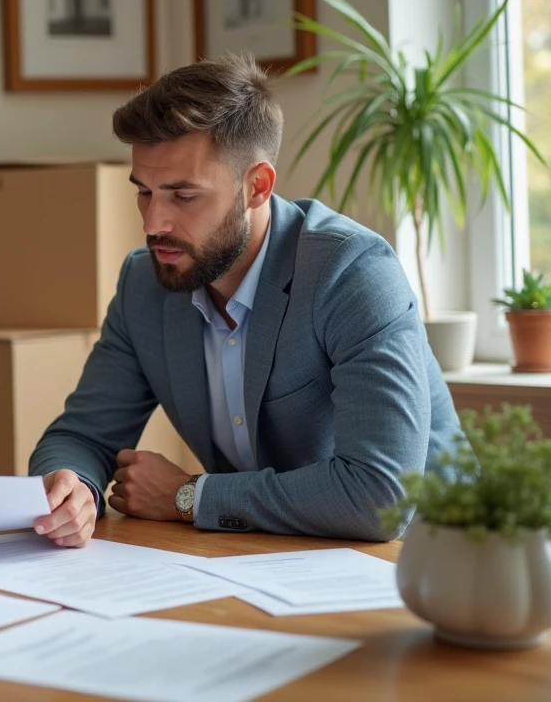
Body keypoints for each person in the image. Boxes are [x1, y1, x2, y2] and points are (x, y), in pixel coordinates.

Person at [29, 54, 458, 544]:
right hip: (266, 558)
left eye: (183, 196)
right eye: (144, 192)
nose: (152, 224)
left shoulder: (353, 273)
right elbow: (80, 435)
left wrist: (190, 496)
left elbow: (381, 494)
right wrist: (72, 486)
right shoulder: (144, 285)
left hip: (433, 560)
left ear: (257, 186)